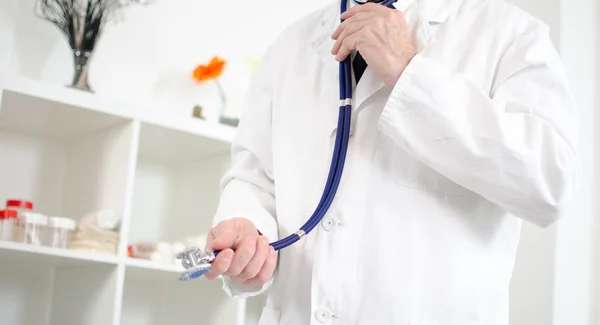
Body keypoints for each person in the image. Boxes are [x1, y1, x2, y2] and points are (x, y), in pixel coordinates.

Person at [203, 0, 580, 324]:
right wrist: (249, 228)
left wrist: (410, 75)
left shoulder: (508, 34)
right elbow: (253, 178)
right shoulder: (289, 46)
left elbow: (550, 182)